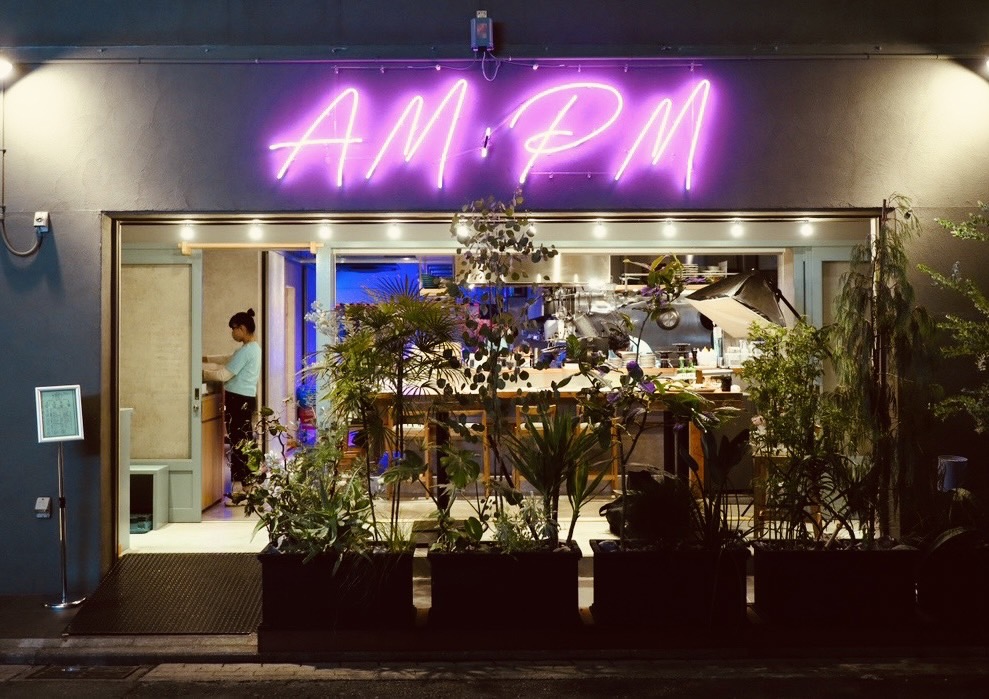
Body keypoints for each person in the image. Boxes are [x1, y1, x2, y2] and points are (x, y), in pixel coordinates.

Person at [203, 308, 262, 506]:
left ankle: (239, 493)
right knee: (244, 442)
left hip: (238, 400)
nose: (232, 333)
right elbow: (228, 357)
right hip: (245, 399)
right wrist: (206, 359)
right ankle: (248, 488)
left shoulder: (246, 351)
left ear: (242, 328)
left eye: (234, 329)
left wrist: (200, 373)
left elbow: (223, 375)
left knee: (238, 445)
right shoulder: (252, 348)